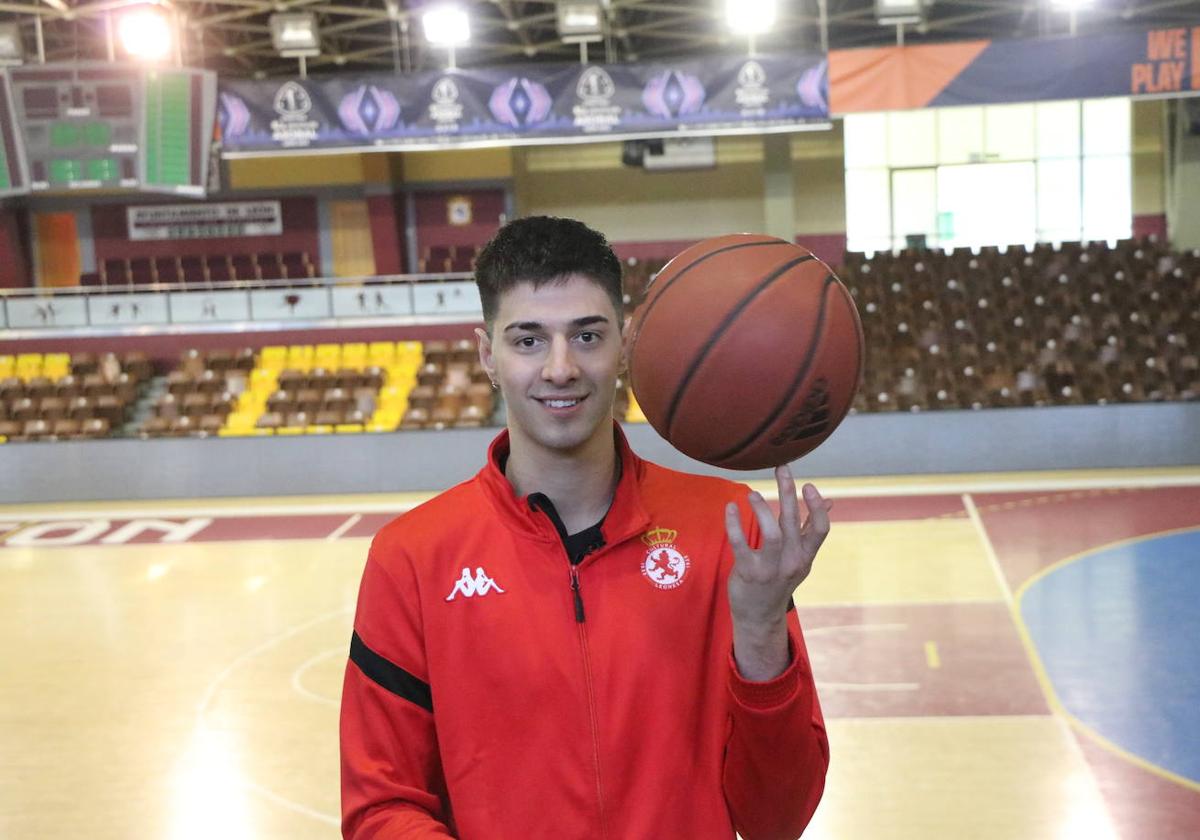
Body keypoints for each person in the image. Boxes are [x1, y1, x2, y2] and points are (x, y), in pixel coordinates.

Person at [340, 216, 831, 840]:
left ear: (623, 345)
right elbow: (380, 809)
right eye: (528, 341)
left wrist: (762, 633)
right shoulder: (412, 559)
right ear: (488, 355)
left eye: (587, 336)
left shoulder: (728, 532)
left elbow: (777, 820)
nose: (561, 368)